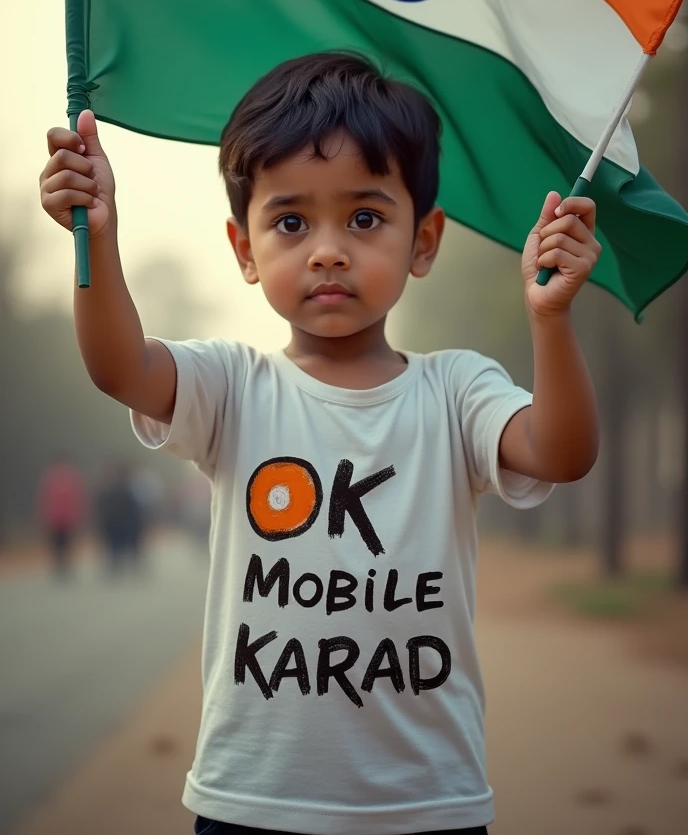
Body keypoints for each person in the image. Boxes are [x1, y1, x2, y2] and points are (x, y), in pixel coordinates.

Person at [39, 52, 601, 835]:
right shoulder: (232, 386)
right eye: (291, 221)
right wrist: (96, 237)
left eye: (365, 218)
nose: (328, 250)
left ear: (424, 240)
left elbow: (561, 450)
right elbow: (119, 366)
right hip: (251, 800)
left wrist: (550, 320)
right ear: (244, 248)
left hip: (427, 804)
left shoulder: (455, 390)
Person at [35, 452, 87, 579]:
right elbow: (44, 499)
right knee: (57, 544)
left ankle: (65, 566)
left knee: (66, 544)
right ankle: (59, 566)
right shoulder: (50, 478)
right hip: (56, 518)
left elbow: (78, 499)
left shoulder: (70, 478)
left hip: (67, 518)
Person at [94, 460, 146, 573]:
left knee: (119, 547)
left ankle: (121, 567)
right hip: (117, 522)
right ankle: (118, 567)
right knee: (116, 547)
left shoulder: (128, 488)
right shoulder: (121, 489)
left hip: (122, 522)